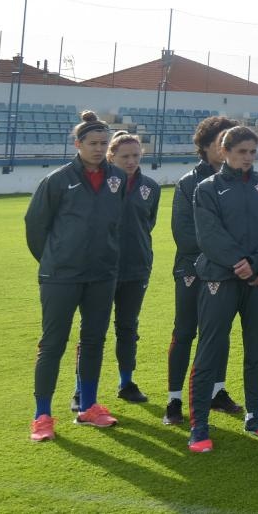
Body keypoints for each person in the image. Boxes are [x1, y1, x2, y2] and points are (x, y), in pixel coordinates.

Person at [186, 125, 258, 452]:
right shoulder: (207, 189)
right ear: (225, 152)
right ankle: (199, 424)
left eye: (252, 152)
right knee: (210, 349)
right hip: (221, 278)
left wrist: (256, 265)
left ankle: (255, 415)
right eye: (241, 152)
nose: (247, 158)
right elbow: (209, 235)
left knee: (257, 348)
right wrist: (240, 264)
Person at [25, 111, 126, 441]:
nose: (98, 149)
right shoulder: (56, 180)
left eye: (103, 143)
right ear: (77, 144)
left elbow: (116, 223)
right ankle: (42, 416)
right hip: (61, 276)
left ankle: (89, 406)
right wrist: (55, 260)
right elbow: (35, 226)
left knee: (94, 341)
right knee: (53, 344)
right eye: (92, 143)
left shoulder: (117, 179)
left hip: (102, 274)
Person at [164, 115, 242, 426]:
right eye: (220, 142)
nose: (226, 148)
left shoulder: (238, 180)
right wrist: (225, 255)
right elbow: (184, 235)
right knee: (185, 332)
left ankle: (217, 392)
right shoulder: (188, 183)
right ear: (206, 146)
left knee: (219, 333)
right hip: (192, 270)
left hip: (225, 271)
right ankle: (174, 400)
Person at [102, 132, 159, 407]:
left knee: (128, 328)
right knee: (93, 330)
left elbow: (147, 224)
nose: (131, 161)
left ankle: (126, 382)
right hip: (100, 269)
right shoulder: (99, 185)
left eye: (136, 156)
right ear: (111, 156)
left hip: (137, 268)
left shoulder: (150, 187)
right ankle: (81, 389)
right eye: (125, 156)